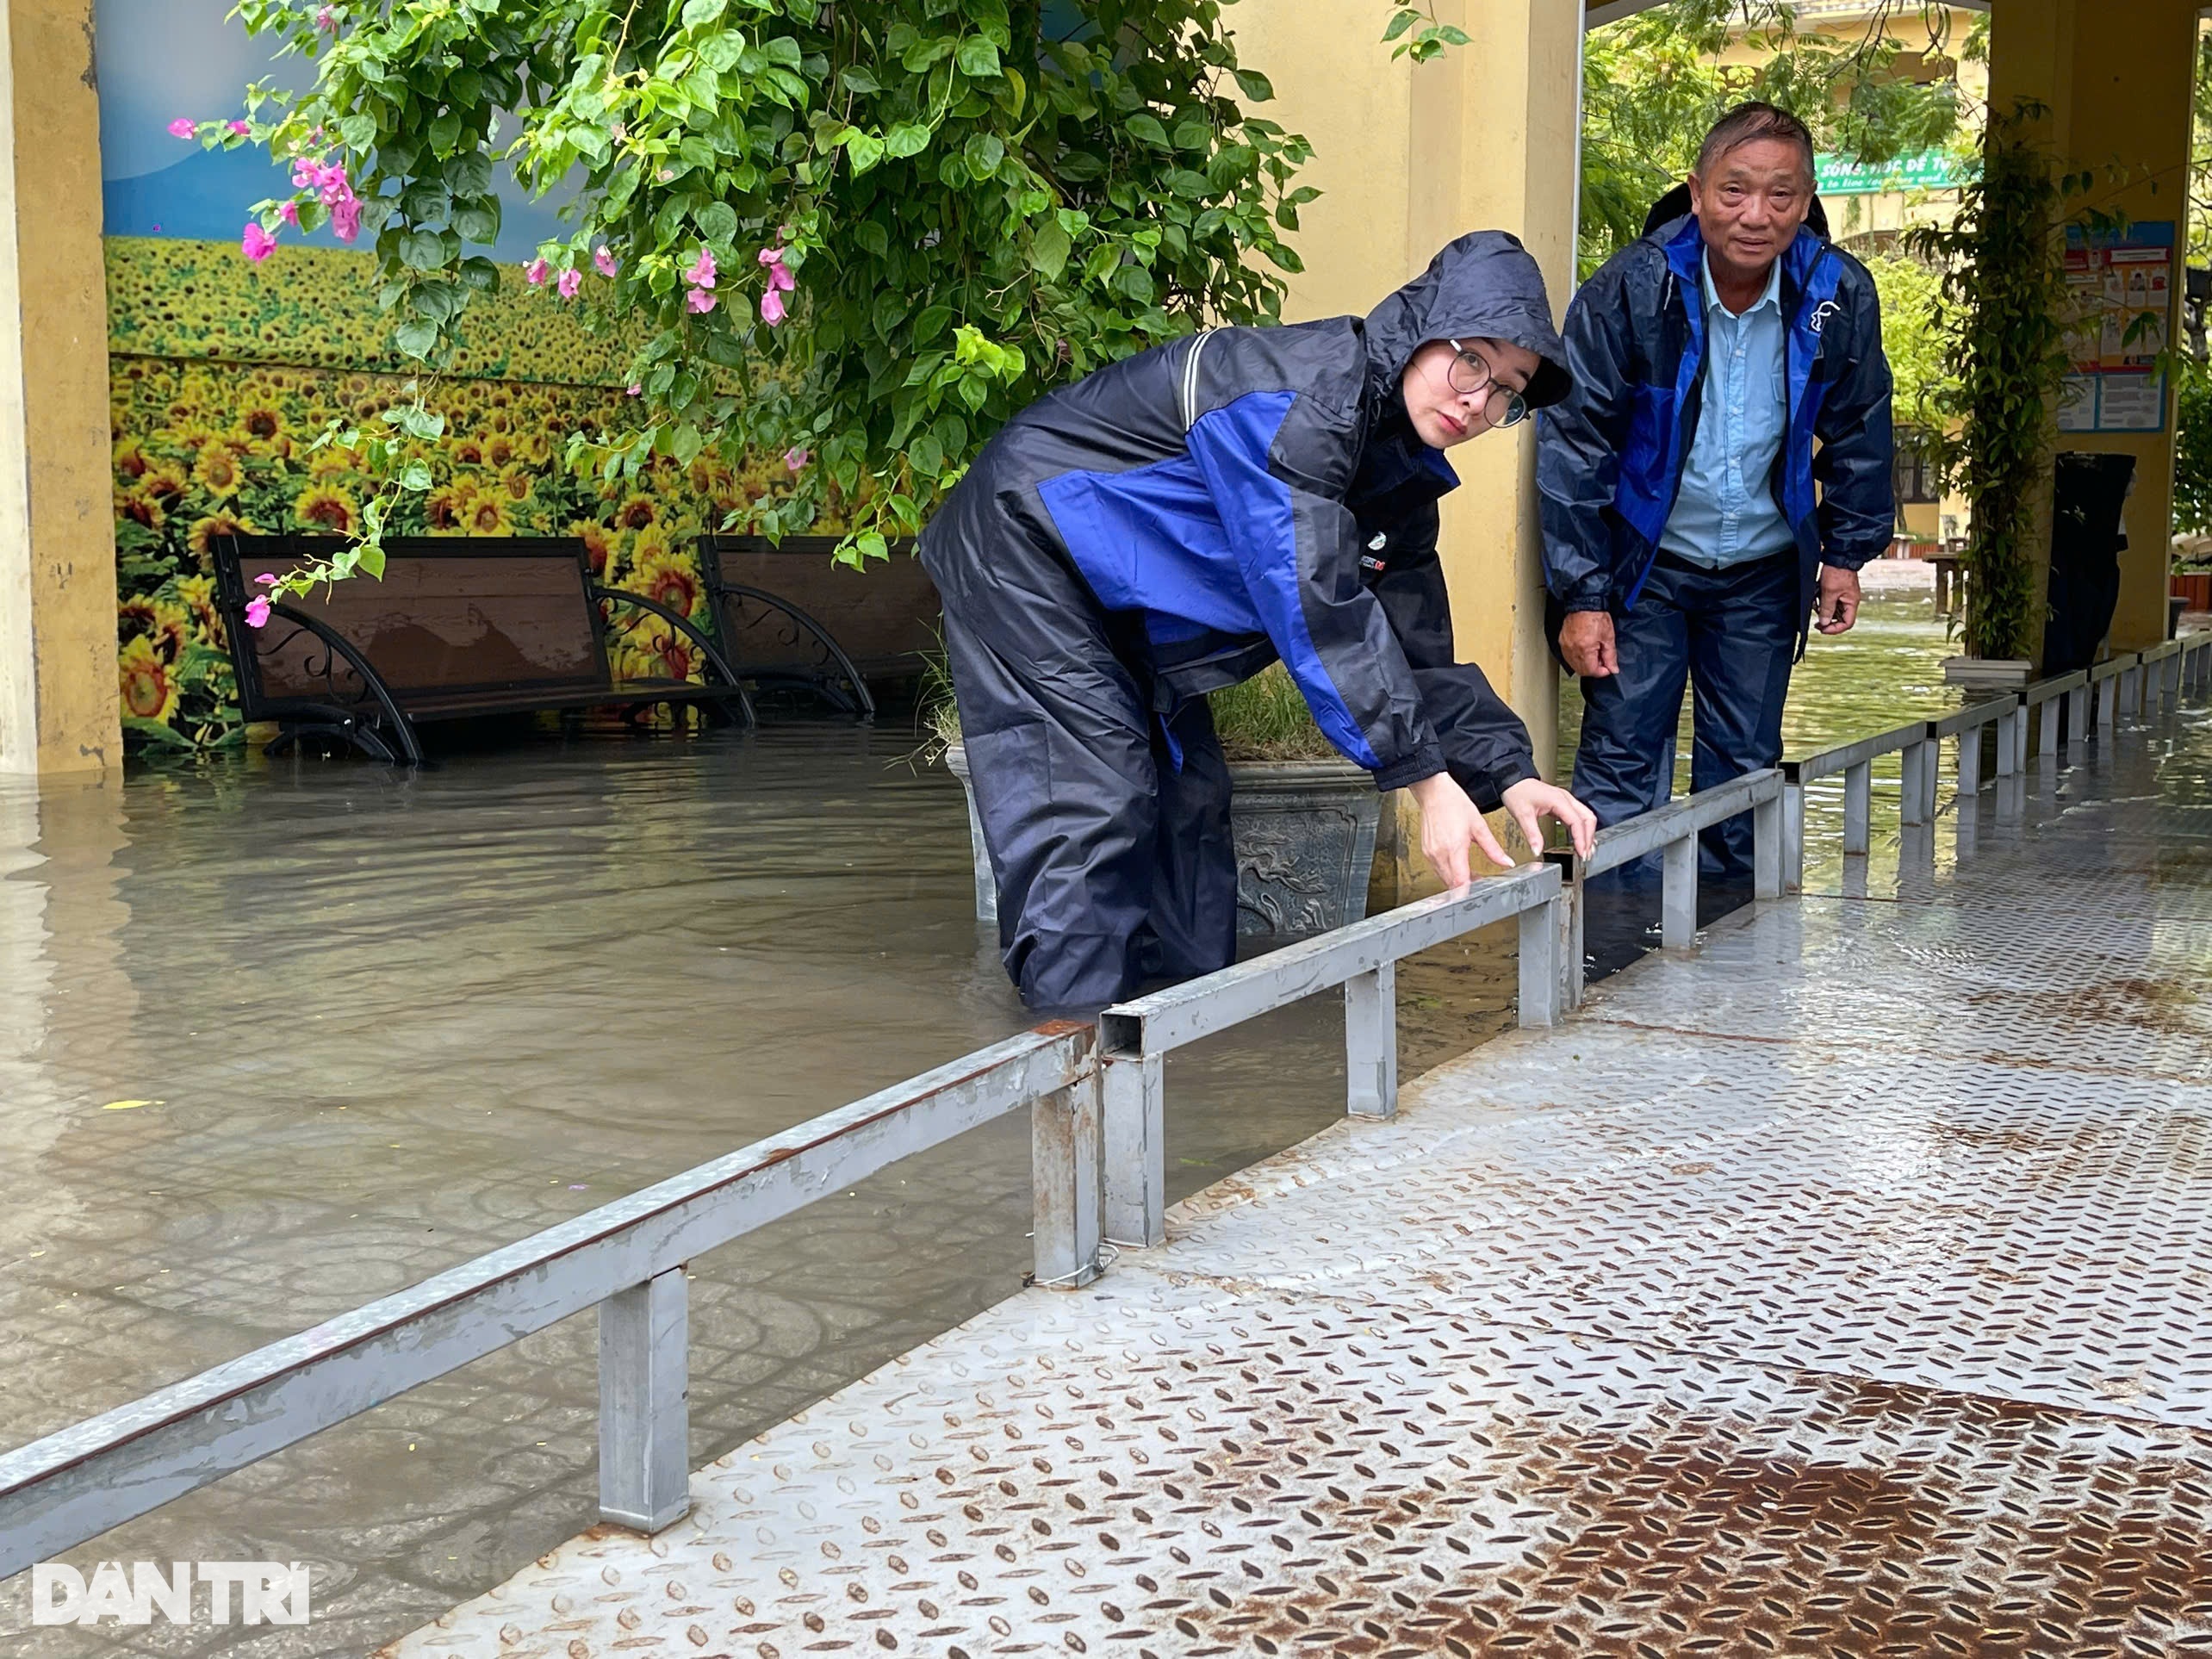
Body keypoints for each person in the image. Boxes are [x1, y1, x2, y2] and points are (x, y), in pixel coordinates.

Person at [923, 231, 1599, 1013]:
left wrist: (1508, 772)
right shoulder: (1301, 401)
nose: (1478, 400)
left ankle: (1188, 1054)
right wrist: (1424, 780)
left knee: (1190, 804)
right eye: (1471, 361)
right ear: (1421, 332)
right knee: (1095, 800)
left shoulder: (1399, 478)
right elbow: (1314, 601)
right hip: (1024, 547)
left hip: (1122, 604)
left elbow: (1411, 653)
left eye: (1507, 392)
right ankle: (1070, 1063)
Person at [1538, 103, 1894, 921]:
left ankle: (1732, 958)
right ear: (1698, 192)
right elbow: (1576, 445)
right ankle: (1606, 956)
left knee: (1743, 771)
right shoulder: (1633, 287)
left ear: (1806, 203)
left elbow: (1860, 430)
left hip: (1764, 572)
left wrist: (1846, 553)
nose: (1755, 215)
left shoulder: (1837, 294)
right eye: (1735, 190)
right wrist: (1583, 594)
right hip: (1644, 571)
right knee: (1623, 766)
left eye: (1780, 195)